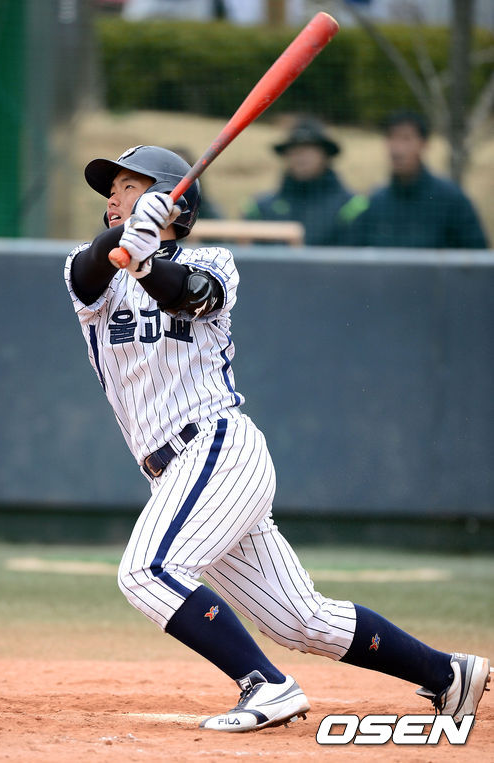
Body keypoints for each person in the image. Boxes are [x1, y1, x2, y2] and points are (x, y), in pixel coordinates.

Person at [64, 144, 491, 732]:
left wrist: (145, 262)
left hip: (216, 449)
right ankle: (449, 674)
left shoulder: (214, 261)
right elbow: (90, 268)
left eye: (129, 187)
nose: (113, 197)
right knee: (299, 619)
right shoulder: (87, 272)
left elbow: (189, 293)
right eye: (111, 190)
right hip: (175, 473)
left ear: (172, 201)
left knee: (147, 571)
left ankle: (266, 685)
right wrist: (126, 244)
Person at [347, 110, 488, 249]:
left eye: (406, 139)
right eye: (392, 138)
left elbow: (476, 256)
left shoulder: (452, 200)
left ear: (424, 144)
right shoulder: (373, 202)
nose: (397, 149)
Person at [243, 118, 364, 246]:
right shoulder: (261, 209)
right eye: (294, 150)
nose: (301, 156)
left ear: (325, 155)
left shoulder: (351, 208)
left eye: (309, 149)